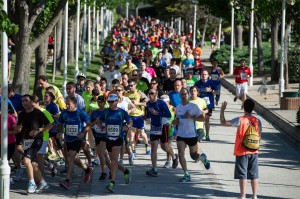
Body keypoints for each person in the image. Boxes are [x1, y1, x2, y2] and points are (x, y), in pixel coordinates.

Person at [220, 99, 262, 199]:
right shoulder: (257, 121)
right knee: (254, 175)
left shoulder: (240, 120)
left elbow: (223, 123)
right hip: (254, 151)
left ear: (243, 107)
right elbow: (259, 136)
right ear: (253, 108)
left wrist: (222, 111)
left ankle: (243, 196)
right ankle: (255, 196)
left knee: (243, 174)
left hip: (242, 151)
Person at [16, 94, 53, 193]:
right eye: (23, 101)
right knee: (32, 163)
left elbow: (50, 125)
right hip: (26, 141)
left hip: (37, 140)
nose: (24, 103)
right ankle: (43, 183)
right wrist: (17, 129)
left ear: (32, 102)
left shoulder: (38, 113)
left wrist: (39, 130)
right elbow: (19, 128)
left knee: (26, 160)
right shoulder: (21, 114)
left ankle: (32, 184)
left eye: (26, 100)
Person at [172, 88, 210, 182]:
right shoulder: (178, 107)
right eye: (182, 94)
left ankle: (202, 158)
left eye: (185, 94)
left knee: (194, 156)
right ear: (180, 96)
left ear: (188, 95)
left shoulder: (194, 106)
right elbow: (175, 121)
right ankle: (186, 174)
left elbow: (202, 119)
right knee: (181, 154)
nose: (184, 96)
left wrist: (191, 117)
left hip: (191, 135)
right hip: (181, 135)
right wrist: (175, 122)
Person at [98, 94, 132, 193]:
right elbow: (99, 121)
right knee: (114, 162)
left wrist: (127, 127)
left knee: (113, 161)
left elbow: (130, 122)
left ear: (117, 101)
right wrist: (102, 126)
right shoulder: (106, 111)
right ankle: (126, 170)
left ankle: (112, 183)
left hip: (118, 138)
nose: (110, 104)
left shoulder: (121, 112)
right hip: (108, 138)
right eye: (109, 102)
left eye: (112, 102)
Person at [58, 96, 93, 190]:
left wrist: (82, 133)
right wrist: (59, 132)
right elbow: (60, 124)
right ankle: (87, 169)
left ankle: (67, 181)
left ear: (74, 104)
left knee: (70, 158)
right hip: (68, 139)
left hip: (77, 138)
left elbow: (89, 124)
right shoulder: (64, 113)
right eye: (66, 104)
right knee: (73, 158)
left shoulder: (80, 113)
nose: (67, 106)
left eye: (69, 104)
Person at [145, 89, 178, 176]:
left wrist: (157, 113)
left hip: (163, 126)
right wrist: (144, 117)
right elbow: (148, 114)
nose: (150, 95)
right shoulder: (148, 104)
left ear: (156, 94)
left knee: (165, 146)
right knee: (153, 148)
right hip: (154, 127)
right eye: (149, 94)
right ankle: (154, 169)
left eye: (152, 93)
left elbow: (169, 115)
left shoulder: (161, 103)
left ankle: (174, 157)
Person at [90, 96, 111, 180]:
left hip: (105, 135)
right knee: (104, 154)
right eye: (98, 102)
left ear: (104, 102)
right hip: (97, 134)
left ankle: (103, 172)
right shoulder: (94, 112)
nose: (99, 104)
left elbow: (111, 122)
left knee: (100, 153)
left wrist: (102, 125)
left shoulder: (107, 112)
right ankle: (112, 170)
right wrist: (95, 122)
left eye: (101, 102)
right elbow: (90, 124)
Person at [195, 70, 218, 141]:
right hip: (199, 104)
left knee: (207, 120)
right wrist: (197, 94)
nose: (204, 76)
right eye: (202, 74)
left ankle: (207, 134)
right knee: (200, 119)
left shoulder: (211, 83)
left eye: (205, 74)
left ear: (208, 75)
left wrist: (211, 90)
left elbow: (218, 92)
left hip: (209, 104)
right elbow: (194, 92)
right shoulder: (198, 83)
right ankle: (201, 133)